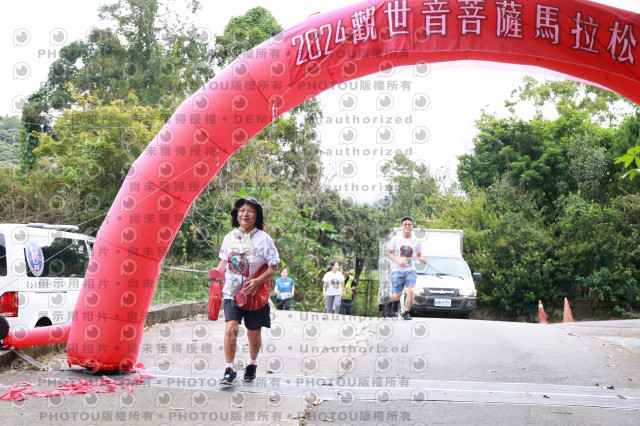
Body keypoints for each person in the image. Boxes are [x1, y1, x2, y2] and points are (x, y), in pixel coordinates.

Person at [214, 196, 280, 385]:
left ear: (257, 216)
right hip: (232, 292)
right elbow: (224, 261)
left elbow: (273, 267)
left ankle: (252, 363)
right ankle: (229, 369)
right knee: (230, 328)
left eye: (250, 211)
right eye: (242, 210)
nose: (245, 214)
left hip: (254, 295)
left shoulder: (264, 239)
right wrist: (215, 277)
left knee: (254, 332)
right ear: (236, 215)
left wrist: (258, 281)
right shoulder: (229, 237)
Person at [386, 216, 428, 320]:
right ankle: (395, 302)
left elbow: (418, 255)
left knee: (411, 290)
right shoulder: (396, 239)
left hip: (410, 269)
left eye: (409, 225)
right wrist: (398, 261)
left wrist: (422, 259)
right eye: (405, 225)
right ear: (402, 226)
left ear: (412, 227)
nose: (407, 226)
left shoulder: (416, 241)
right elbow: (389, 253)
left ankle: (406, 312)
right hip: (397, 270)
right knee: (398, 294)